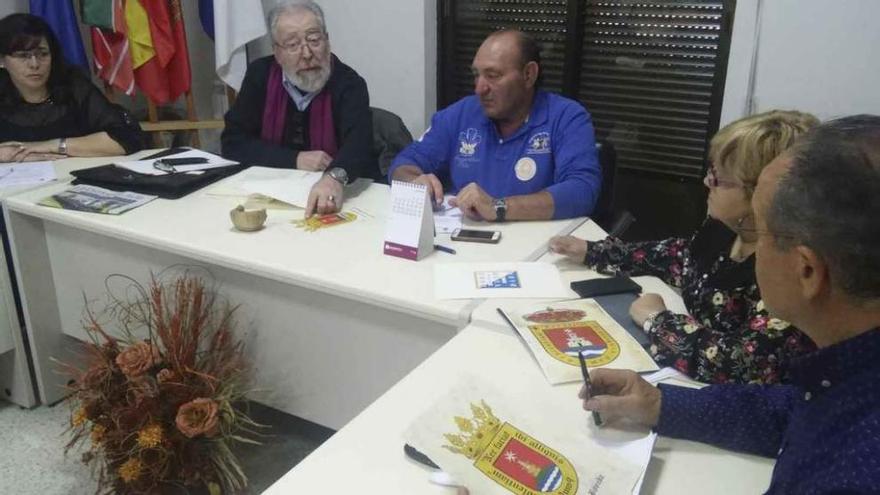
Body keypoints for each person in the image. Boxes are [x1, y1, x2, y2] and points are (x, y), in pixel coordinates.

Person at [581, 115, 880, 493]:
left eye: (762, 230)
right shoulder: (844, 377)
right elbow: (789, 410)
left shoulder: (853, 470)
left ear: (807, 270)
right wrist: (661, 404)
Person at [551, 111, 819, 384]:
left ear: (762, 193)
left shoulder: (787, 267)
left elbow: (741, 364)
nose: (706, 183)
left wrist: (657, 320)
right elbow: (679, 257)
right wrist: (594, 251)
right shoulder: (725, 227)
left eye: (718, 179)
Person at [389, 30, 600, 221]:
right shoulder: (461, 114)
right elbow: (403, 164)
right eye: (476, 75)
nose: (479, 88)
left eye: (493, 76)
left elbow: (582, 191)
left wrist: (499, 207)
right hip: (460, 244)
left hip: (533, 249)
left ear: (528, 75)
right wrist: (415, 182)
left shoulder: (566, 117)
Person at [221, 0, 376, 217]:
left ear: (327, 41)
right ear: (277, 52)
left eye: (314, 39)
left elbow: (358, 147)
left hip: (331, 203)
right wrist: (294, 159)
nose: (307, 53)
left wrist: (334, 178)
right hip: (269, 201)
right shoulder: (260, 76)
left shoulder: (349, 84)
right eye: (293, 45)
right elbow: (233, 142)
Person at [0, 13, 144, 162]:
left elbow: (126, 138)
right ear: (2, 60)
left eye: (43, 54)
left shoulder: (72, 86)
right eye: (23, 56)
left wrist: (53, 145)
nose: (35, 64)